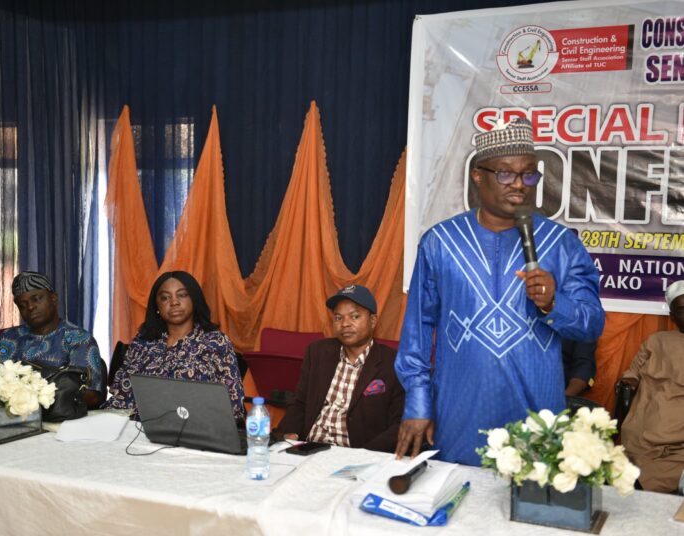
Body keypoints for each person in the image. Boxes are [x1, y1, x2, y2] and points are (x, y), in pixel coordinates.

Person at [394, 117, 605, 465]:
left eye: (529, 174)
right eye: (506, 174)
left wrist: (555, 303)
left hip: (536, 418)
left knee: (530, 511)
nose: (519, 185)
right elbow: (417, 331)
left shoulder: (561, 243)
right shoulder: (440, 243)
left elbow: (592, 324)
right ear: (479, 175)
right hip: (459, 413)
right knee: (458, 506)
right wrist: (418, 402)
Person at [275, 284, 405, 452]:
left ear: (373, 321)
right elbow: (300, 403)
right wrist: (288, 434)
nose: (345, 324)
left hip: (355, 453)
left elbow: (399, 424)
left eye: (355, 316)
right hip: (310, 447)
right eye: (338, 318)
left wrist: (363, 456)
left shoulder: (393, 363)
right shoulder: (317, 353)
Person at [103, 271, 245, 421]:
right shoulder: (141, 343)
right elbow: (121, 397)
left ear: (194, 300)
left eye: (182, 295)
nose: (174, 302)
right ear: (157, 306)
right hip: (137, 431)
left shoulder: (216, 342)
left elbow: (233, 404)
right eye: (165, 298)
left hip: (196, 432)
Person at [0, 271, 107, 408]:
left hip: (63, 423)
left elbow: (91, 396)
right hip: (10, 420)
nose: (30, 307)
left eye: (36, 299)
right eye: (22, 304)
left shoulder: (79, 340)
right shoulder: (5, 340)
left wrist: (34, 401)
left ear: (53, 298)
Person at [619, 280, 684, 493]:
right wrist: (629, 381)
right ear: (673, 316)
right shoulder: (656, 341)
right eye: (682, 310)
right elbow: (633, 373)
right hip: (647, 420)